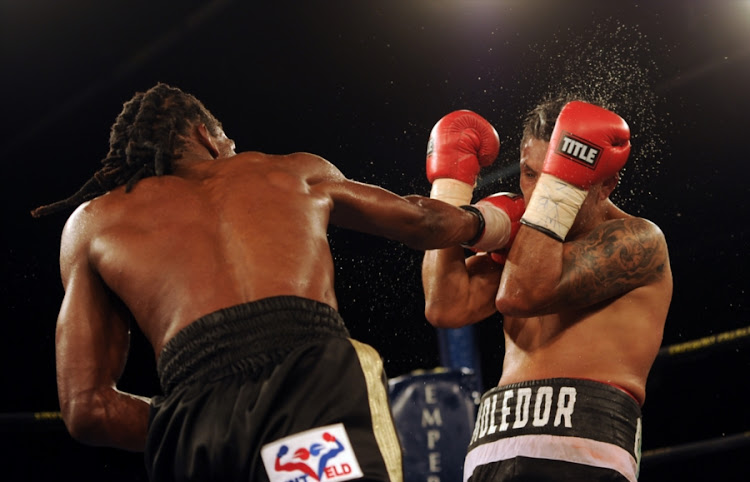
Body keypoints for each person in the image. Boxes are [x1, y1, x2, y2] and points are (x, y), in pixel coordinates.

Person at [31, 83, 510, 482]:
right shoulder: (291, 171)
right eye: (228, 138)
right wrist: (491, 221)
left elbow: (87, 409)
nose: (234, 150)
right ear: (206, 134)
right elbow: (422, 223)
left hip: (193, 430)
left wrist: (190, 420)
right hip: (308, 391)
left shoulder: (91, 223)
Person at [421, 97, 673, 482]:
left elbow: (521, 295)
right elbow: (446, 307)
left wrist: (553, 201)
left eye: (559, 177)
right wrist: (450, 189)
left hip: (581, 453)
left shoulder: (638, 240)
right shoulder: (526, 244)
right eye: (530, 174)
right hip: (492, 449)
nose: (539, 193)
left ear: (606, 184)